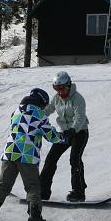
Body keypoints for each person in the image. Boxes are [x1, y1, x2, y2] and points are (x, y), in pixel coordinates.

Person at [0, 88, 64, 221]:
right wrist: (63, 137)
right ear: (41, 102)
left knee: (3, 185)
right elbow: (52, 137)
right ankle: (35, 218)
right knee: (32, 186)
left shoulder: (16, 112)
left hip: (9, 153)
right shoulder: (39, 115)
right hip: (27, 155)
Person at [40, 71, 89, 202]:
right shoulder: (56, 98)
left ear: (68, 85)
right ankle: (42, 191)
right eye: (56, 88)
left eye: (61, 88)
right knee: (51, 159)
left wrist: (73, 129)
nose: (59, 91)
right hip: (64, 133)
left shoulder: (78, 98)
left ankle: (78, 192)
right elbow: (48, 110)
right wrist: (34, 117)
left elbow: (80, 117)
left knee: (75, 159)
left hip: (80, 132)